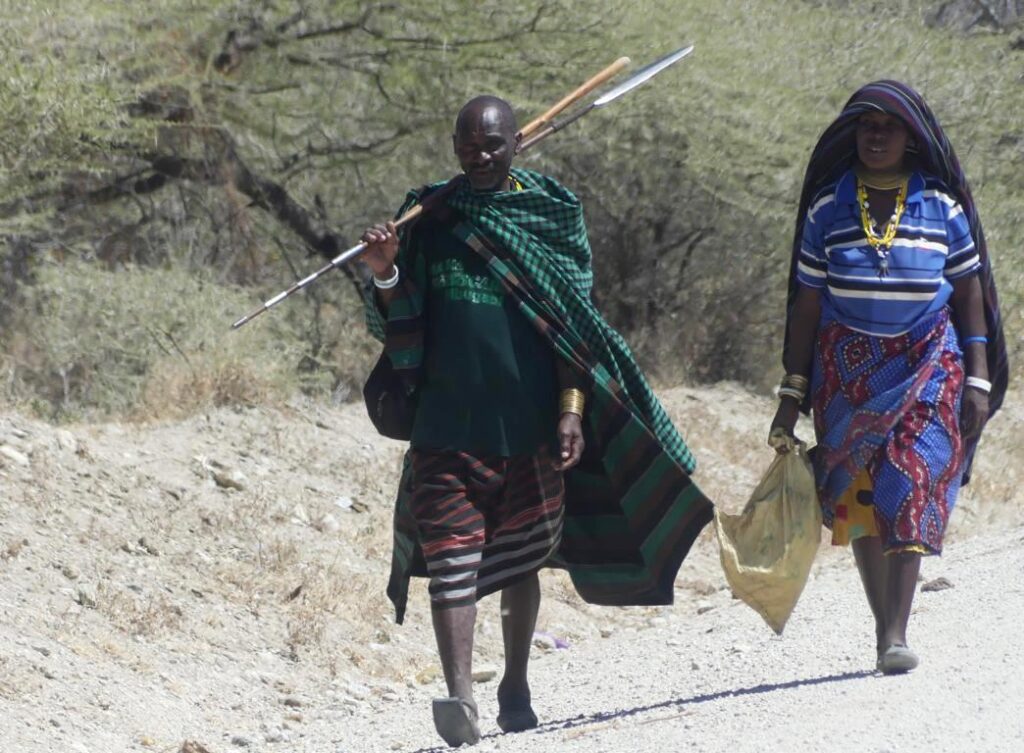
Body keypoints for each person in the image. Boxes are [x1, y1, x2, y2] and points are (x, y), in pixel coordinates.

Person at [360, 95, 713, 746]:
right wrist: (385, 274)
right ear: (454, 145)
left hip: (528, 431)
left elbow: (571, 329)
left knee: (522, 560)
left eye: (493, 143)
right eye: (468, 143)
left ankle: (515, 679)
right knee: (450, 560)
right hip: (445, 426)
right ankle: (461, 696)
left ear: (519, 141)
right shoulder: (431, 217)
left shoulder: (549, 214)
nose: (480, 155)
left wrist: (571, 409)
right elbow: (402, 319)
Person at [770, 81, 1008, 675]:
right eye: (866, 126)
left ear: (912, 139)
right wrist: (791, 391)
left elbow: (970, 292)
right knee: (860, 496)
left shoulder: (942, 207)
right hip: (846, 369)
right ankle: (884, 627)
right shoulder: (830, 207)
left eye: (889, 127)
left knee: (914, 478)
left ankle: (896, 633)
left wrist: (978, 378)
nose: (876, 136)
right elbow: (806, 302)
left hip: (930, 359)